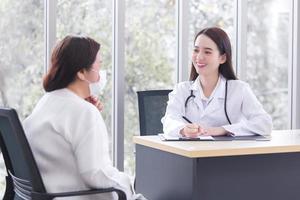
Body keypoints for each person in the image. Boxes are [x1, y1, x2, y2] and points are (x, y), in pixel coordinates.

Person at [23, 35, 146, 200]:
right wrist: (127, 183)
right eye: (99, 65)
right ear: (81, 72)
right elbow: (95, 174)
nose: (101, 75)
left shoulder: (47, 102)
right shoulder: (83, 112)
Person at [162, 27, 272, 138]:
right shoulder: (182, 90)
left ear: (222, 58)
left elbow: (264, 123)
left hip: (226, 154)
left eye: (207, 52)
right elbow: (169, 121)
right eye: (196, 50)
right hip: (190, 153)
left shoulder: (239, 89)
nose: (199, 57)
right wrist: (183, 130)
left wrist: (223, 130)